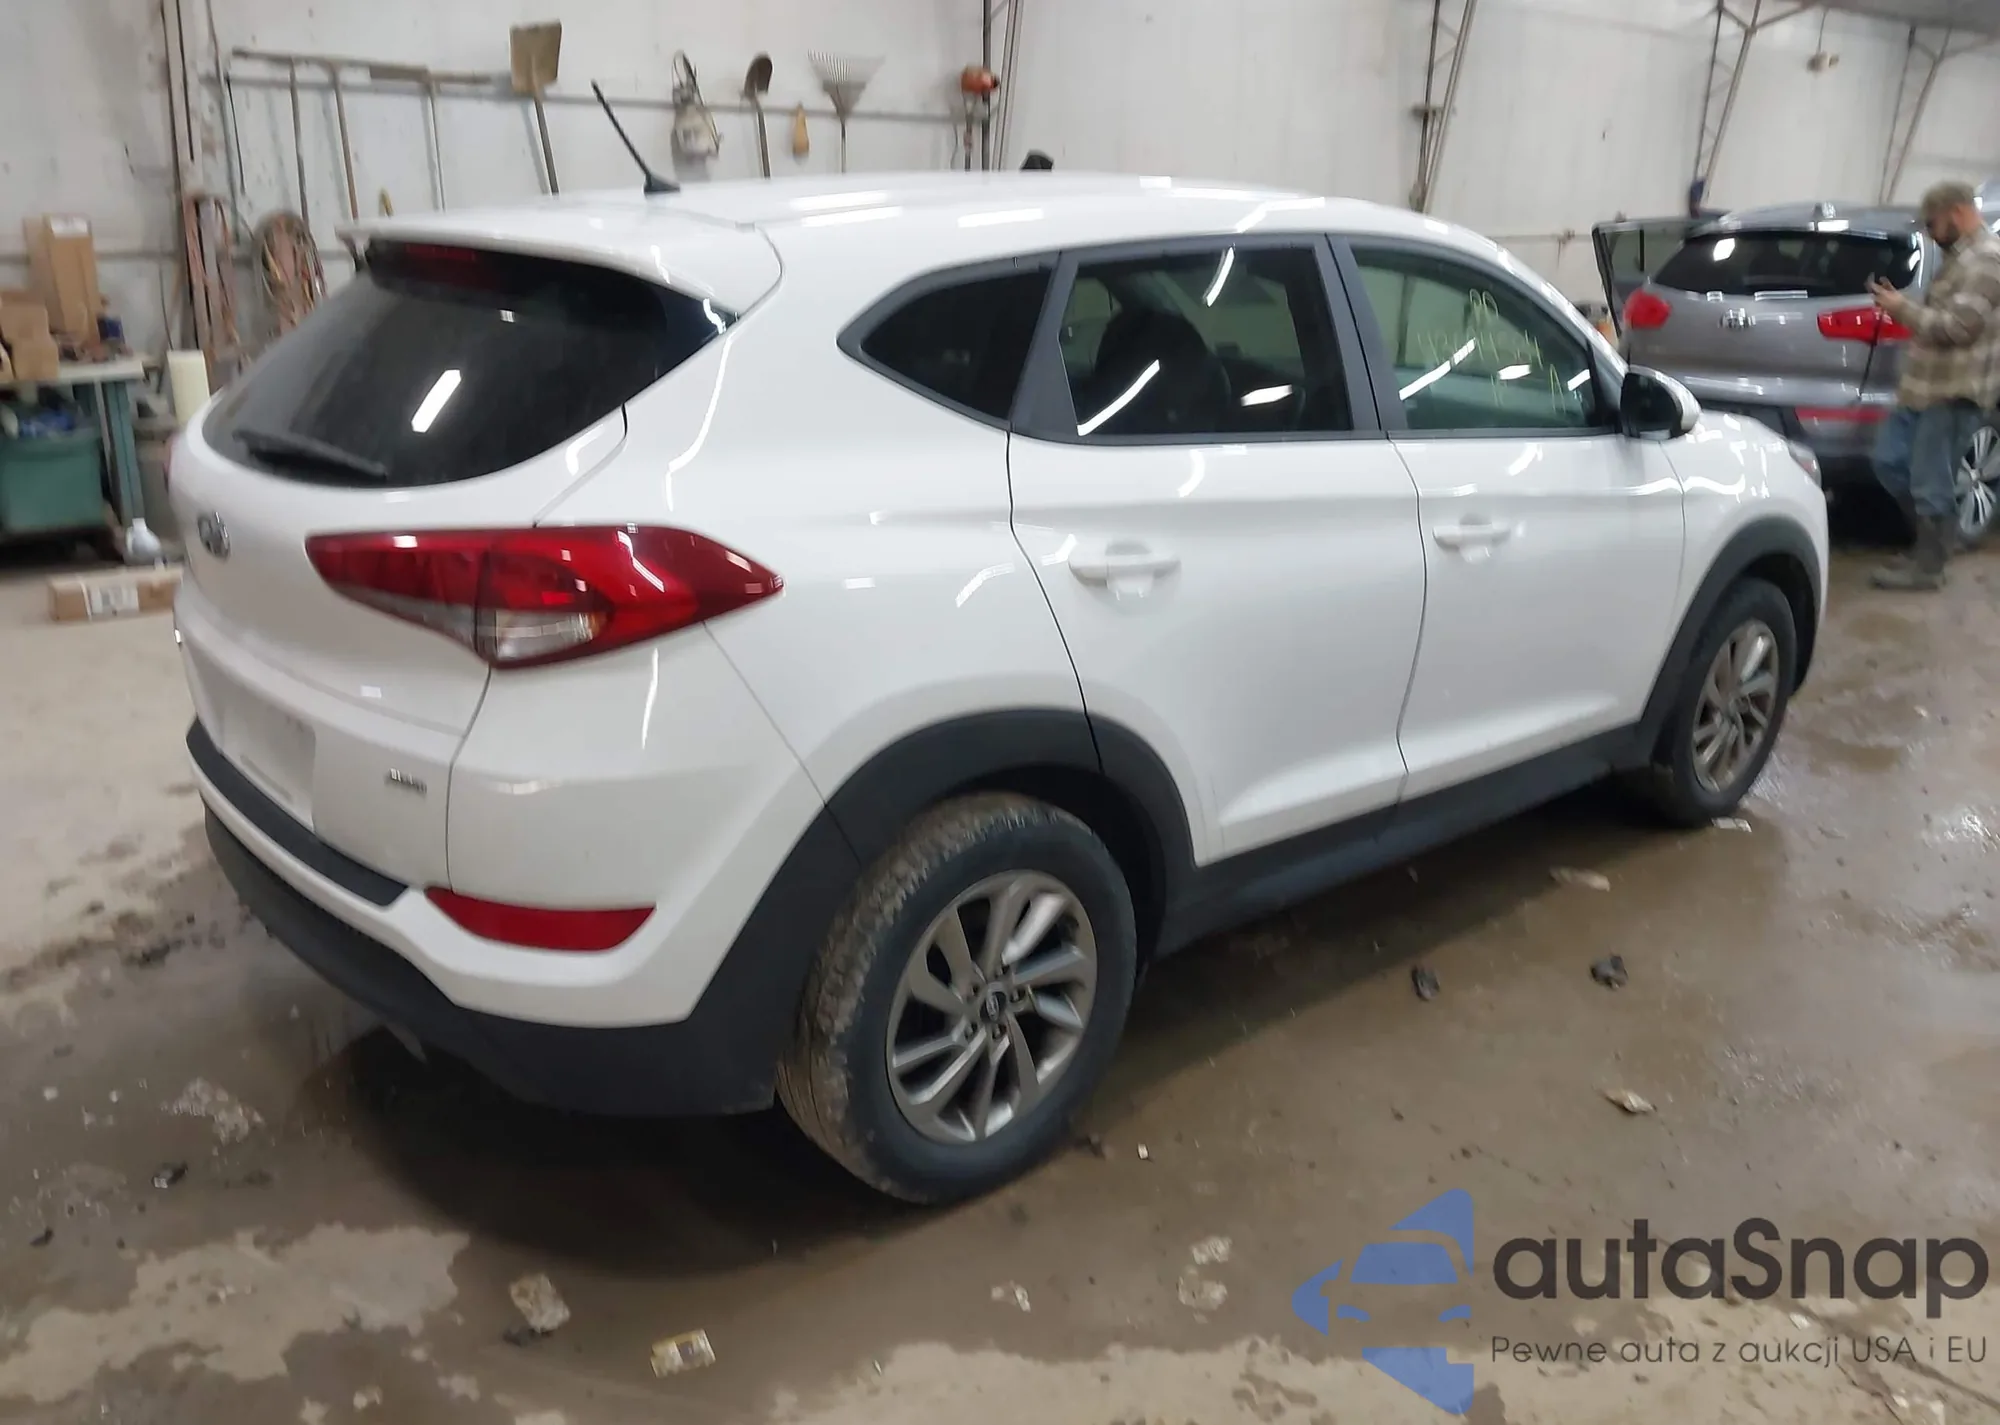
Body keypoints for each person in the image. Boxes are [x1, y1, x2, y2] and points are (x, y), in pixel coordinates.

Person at [1865, 180, 2000, 591]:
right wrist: (1904, 307)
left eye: (1932, 223)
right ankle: (1937, 542)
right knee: (1889, 460)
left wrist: (1902, 309)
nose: (1930, 233)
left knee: (1930, 479)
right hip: (1922, 388)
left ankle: (1929, 565)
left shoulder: (1986, 260)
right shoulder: (1959, 257)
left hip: (1953, 391)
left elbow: (1959, 327)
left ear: (1957, 212)